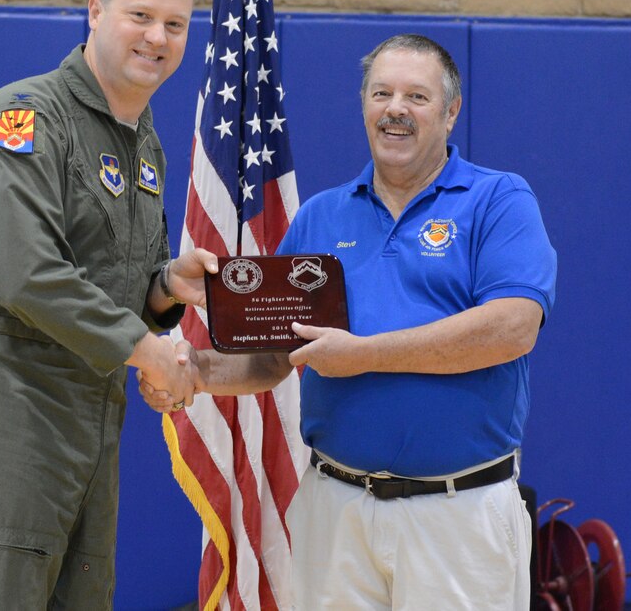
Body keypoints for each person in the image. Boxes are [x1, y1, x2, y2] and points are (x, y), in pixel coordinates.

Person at [144, 34, 557, 609]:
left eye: (417, 96)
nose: (396, 108)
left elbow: (512, 328)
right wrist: (194, 370)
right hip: (335, 509)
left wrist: (364, 355)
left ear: (451, 111)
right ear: (364, 104)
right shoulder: (322, 215)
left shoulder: (498, 200)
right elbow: (273, 354)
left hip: (459, 513)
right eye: (382, 92)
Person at [0, 0, 216, 610]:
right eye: (140, 16)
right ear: (95, 11)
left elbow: (111, 283)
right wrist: (152, 354)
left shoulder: (143, 144)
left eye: (175, 24)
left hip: (89, 430)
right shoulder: (21, 121)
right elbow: (31, 278)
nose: (157, 38)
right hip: (8, 426)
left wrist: (167, 287)